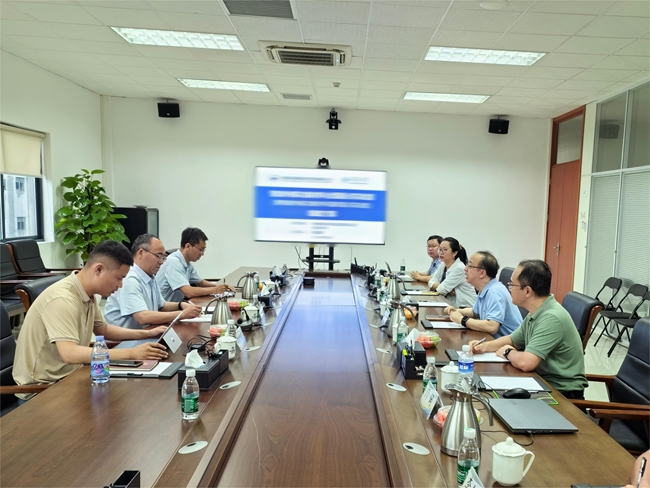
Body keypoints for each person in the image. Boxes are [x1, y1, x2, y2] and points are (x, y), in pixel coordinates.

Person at [13, 240, 169, 399]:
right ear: (99, 269)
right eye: (119, 278)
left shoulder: (88, 294)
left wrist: (146, 333)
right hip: (41, 390)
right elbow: (70, 354)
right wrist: (131, 353)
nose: (120, 285)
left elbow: (104, 330)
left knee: (132, 396)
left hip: (71, 377)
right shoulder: (62, 299)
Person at [470, 259, 588, 399]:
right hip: (541, 382)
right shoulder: (537, 310)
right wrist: (484, 346)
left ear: (527, 291)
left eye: (511, 285)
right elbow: (513, 340)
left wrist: (508, 352)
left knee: (489, 399)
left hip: (562, 394)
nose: (509, 289)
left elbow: (526, 363)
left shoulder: (551, 317)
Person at [104, 234, 202, 329]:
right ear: (141, 253)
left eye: (163, 257)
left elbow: (161, 305)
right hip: (126, 338)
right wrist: (182, 314)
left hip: (146, 332)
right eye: (158, 256)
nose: (161, 262)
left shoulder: (150, 276)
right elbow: (142, 317)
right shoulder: (129, 279)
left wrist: (180, 305)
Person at [444, 251, 522, 338]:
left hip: (509, 344)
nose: (465, 269)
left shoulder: (495, 292)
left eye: (470, 266)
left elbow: (492, 326)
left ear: (482, 273)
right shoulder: (484, 289)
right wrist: (457, 311)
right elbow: (475, 312)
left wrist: (462, 320)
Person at [156, 227, 235, 302]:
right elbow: (188, 292)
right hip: (164, 309)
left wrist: (222, 287)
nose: (202, 254)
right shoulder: (174, 263)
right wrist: (215, 290)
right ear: (188, 246)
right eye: (200, 249)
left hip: (177, 305)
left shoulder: (187, 263)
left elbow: (200, 282)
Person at [428, 237, 476, 308]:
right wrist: (445, 288)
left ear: (454, 253)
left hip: (465, 308)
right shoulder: (443, 265)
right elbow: (431, 281)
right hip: (450, 305)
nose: (441, 253)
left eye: (445, 250)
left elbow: (441, 290)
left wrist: (441, 287)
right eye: (440, 249)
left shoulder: (459, 268)